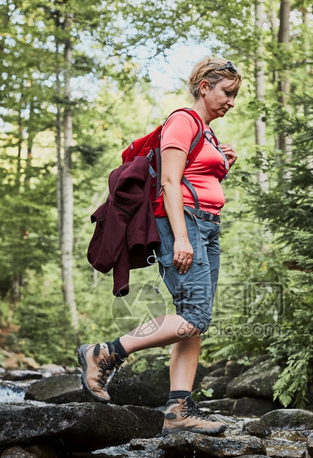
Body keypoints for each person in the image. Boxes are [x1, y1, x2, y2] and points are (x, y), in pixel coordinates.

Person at [78, 56, 242, 436]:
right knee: (196, 317)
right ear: (205, 87)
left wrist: (223, 165)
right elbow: (169, 182)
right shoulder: (183, 121)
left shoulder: (206, 131)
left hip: (207, 226)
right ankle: (105, 352)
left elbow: (194, 179)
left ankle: (178, 411)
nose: (232, 101)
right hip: (183, 225)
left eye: (235, 94)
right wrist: (182, 236)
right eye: (227, 92)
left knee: (193, 321)